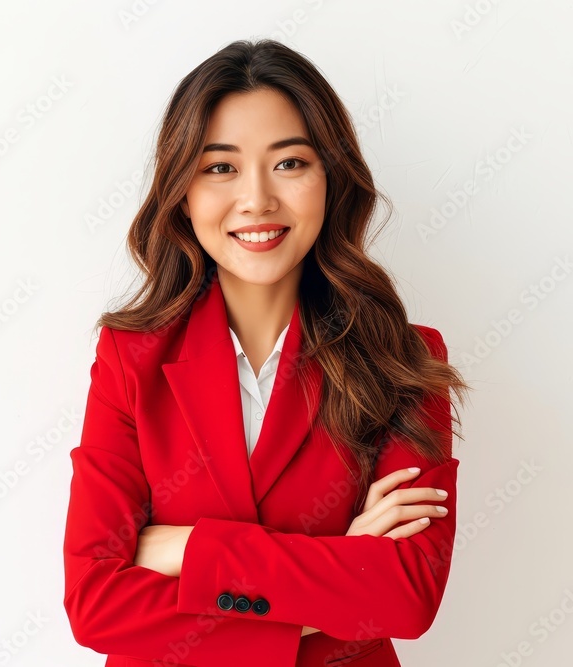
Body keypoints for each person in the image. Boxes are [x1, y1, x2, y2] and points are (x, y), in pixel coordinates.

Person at [62, 39, 471, 667]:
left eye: (290, 163)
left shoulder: (402, 360)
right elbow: (95, 603)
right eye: (220, 167)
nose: (256, 199)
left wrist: (184, 549)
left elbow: (405, 596)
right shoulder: (129, 359)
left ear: (331, 179)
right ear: (183, 192)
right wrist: (333, 580)